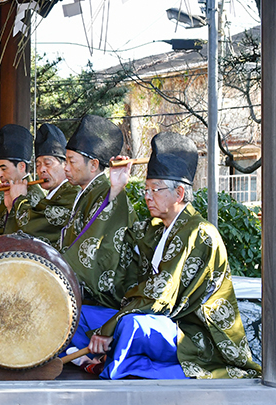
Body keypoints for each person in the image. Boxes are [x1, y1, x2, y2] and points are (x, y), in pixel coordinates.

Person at [71, 131, 261, 379]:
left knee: (130, 325)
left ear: (180, 194)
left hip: (189, 329)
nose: (147, 196)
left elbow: (161, 294)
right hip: (157, 318)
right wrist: (116, 188)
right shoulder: (154, 230)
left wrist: (110, 326)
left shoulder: (199, 232)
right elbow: (115, 243)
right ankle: (102, 359)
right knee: (78, 314)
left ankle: (112, 363)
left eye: (155, 190)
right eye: (146, 189)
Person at [59, 115, 138, 310]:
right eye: (65, 161)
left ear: (94, 165)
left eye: (71, 161)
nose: (65, 168)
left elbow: (101, 246)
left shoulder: (108, 193)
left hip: (97, 299)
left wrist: (61, 271)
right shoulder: (88, 192)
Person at [1, 123, 79, 251]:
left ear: (65, 165)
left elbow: (36, 227)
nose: (41, 169)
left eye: (48, 163)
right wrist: (11, 207)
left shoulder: (72, 194)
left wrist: (18, 200)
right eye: (37, 165)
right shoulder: (51, 196)